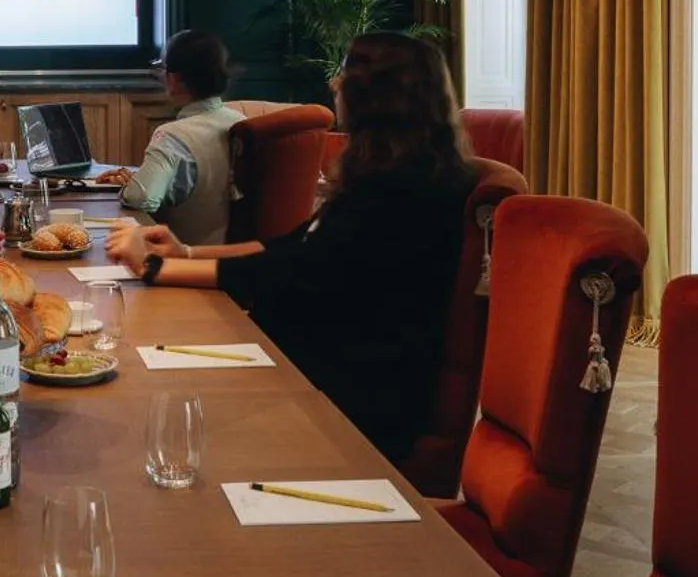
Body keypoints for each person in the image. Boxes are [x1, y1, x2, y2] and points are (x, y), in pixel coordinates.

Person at [106, 34, 474, 461]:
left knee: (153, 415)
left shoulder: (401, 194)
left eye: (346, 73)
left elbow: (290, 270)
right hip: (314, 369)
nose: (335, 83)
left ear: (377, 96)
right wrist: (183, 254)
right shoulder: (402, 175)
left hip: (342, 402)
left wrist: (153, 268)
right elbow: (291, 244)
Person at [119, 29, 244, 247]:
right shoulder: (242, 120)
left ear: (174, 79)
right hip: (240, 259)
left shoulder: (171, 137)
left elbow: (141, 198)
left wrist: (130, 186)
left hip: (185, 260)